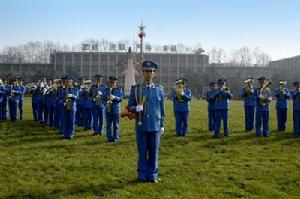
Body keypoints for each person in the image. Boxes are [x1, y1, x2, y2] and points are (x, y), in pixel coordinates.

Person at [128, 60, 165, 183]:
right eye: (146, 71)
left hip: (155, 126)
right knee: (142, 152)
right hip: (141, 125)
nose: (148, 74)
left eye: (151, 71)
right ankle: (142, 175)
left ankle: (153, 175)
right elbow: (130, 106)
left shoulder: (159, 90)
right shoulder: (136, 89)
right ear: (142, 73)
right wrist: (135, 108)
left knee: (154, 153)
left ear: (154, 73)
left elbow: (162, 109)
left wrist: (162, 124)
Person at [104, 76, 123, 142]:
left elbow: (120, 99)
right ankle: (109, 137)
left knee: (116, 124)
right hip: (108, 109)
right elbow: (103, 98)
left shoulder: (119, 89)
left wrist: (114, 97)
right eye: (111, 82)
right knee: (108, 125)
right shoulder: (106, 90)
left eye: (113, 82)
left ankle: (115, 137)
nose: (112, 84)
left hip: (116, 109)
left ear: (116, 83)